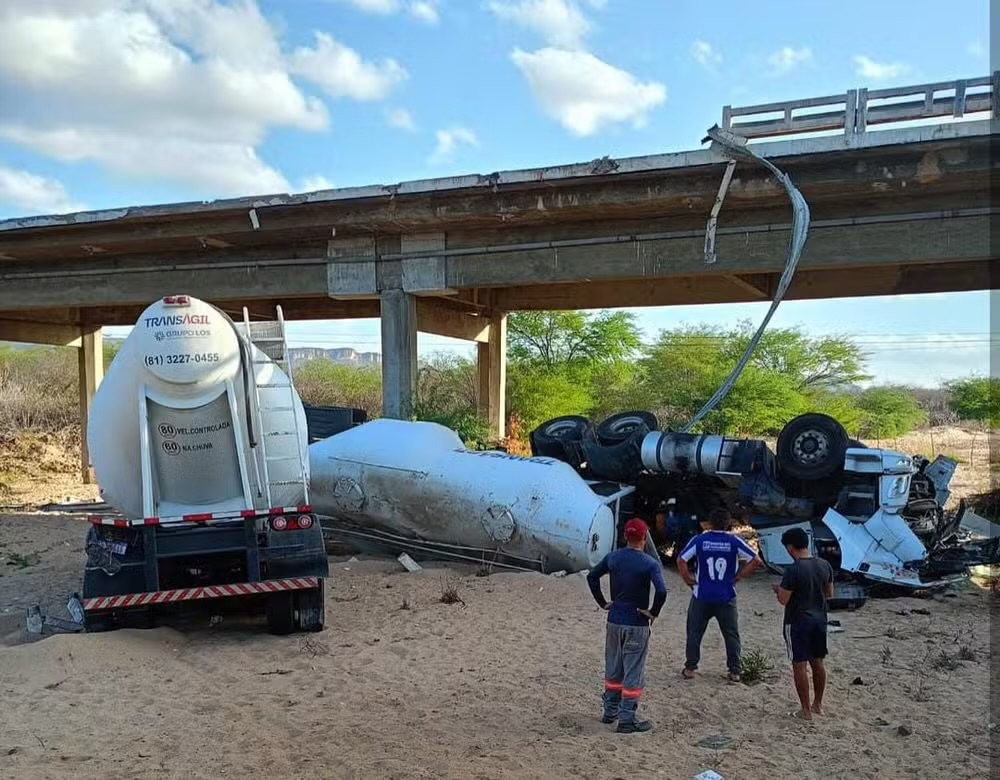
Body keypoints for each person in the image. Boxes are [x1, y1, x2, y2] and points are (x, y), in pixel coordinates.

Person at [586, 518, 667, 734]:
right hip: (636, 621)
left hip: (614, 619)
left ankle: (609, 712)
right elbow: (661, 591)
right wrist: (653, 612)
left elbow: (592, 577)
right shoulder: (650, 563)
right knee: (633, 671)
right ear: (643, 537)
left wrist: (603, 602)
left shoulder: (614, 557)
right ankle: (627, 719)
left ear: (625, 537)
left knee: (613, 667)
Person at [677, 507, 761, 682]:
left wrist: (688, 579)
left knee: (694, 632)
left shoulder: (700, 540)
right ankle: (735, 670)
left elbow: (681, 560)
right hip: (726, 594)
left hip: (702, 594)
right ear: (728, 524)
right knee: (731, 634)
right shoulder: (734, 541)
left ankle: (691, 667)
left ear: (710, 523)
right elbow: (756, 560)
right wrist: (739, 576)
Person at [772, 527, 834, 721]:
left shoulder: (793, 569)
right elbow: (829, 593)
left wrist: (778, 590)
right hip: (819, 619)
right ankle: (818, 704)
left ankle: (805, 710)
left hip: (798, 620)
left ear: (790, 547)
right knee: (818, 663)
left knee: (799, 665)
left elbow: (784, 599)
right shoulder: (824, 565)